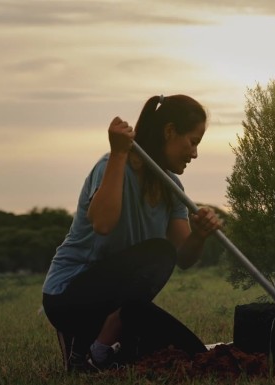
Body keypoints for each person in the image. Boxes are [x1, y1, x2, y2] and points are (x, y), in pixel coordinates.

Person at [41, 94, 222, 372]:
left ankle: (90, 345)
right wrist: (118, 153)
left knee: (191, 353)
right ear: (170, 131)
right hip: (68, 297)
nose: (195, 153)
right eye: (193, 141)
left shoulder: (172, 187)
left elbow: (183, 258)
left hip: (118, 302)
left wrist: (198, 235)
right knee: (159, 252)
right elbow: (102, 224)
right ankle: (99, 347)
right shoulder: (111, 165)